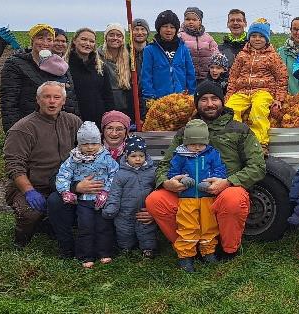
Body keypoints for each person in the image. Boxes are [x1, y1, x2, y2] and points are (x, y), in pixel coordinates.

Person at [146, 80, 265, 260]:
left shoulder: (239, 129)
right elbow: (164, 165)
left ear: (222, 101)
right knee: (156, 200)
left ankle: (228, 249)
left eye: (214, 98)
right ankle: (188, 248)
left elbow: (257, 166)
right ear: (197, 103)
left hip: (222, 193)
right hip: (189, 195)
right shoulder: (185, 132)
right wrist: (166, 182)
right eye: (203, 99)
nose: (209, 104)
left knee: (233, 199)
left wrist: (228, 182)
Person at [3, 81, 82, 249]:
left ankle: (52, 225)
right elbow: (14, 165)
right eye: (46, 97)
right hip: (35, 186)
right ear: (38, 100)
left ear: (63, 101)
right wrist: (29, 191)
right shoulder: (23, 128)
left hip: (64, 184)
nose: (51, 101)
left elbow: (87, 149)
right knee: (30, 213)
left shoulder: (73, 122)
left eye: (56, 97)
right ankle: (21, 238)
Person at [166, 119, 228, 272]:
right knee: (187, 226)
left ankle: (208, 252)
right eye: (193, 144)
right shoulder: (180, 155)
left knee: (209, 226)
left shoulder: (212, 154)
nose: (197, 148)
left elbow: (219, 170)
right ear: (186, 142)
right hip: (187, 198)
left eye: (201, 144)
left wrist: (213, 182)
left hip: (207, 197)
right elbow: (173, 173)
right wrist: (182, 179)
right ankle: (186, 256)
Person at [54, 121, 119, 268]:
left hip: (102, 199)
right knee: (86, 227)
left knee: (103, 226)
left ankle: (104, 253)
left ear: (99, 142)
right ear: (79, 144)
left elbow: (114, 174)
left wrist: (106, 191)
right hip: (84, 201)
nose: (90, 148)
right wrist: (66, 191)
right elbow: (63, 175)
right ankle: (86, 256)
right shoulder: (73, 159)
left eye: (94, 144)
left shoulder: (106, 158)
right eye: (85, 144)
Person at [0, 23, 78, 132]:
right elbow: (9, 103)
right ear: (32, 40)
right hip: (31, 128)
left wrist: (73, 127)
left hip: (60, 128)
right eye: (40, 38)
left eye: (49, 39)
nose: (45, 43)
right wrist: (13, 132)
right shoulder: (15, 64)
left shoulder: (60, 65)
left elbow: (71, 98)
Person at [224, 21, 288, 148]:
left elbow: (282, 77)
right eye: (253, 36)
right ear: (249, 37)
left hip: (263, 91)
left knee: (258, 109)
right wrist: (229, 95)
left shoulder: (272, 56)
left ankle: (259, 142)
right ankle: (233, 140)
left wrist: (279, 98)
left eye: (261, 36)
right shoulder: (242, 55)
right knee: (230, 110)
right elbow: (233, 76)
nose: (257, 39)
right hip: (241, 92)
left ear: (267, 39)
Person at [102, 136, 158, 259]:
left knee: (146, 229)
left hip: (144, 209)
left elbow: (157, 190)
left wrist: (154, 209)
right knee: (124, 230)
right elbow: (115, 193)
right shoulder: (121, 174)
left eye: (141, 156)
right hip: (125, 211)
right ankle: (125, 247)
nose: (138, 159)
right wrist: (112, 207)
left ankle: (148, 249)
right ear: (126, 156)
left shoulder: (152, 172)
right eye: (133, 156)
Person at [140, 10, 196, 101]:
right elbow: (146, 76)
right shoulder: (150, 50)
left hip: (181, 99)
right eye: (165, 26)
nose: (169, 30)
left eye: (172, 27)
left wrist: (191, 94)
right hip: (159, 100)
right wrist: (149, 97)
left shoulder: (183, 48)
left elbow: (190, 73)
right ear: (159, 28)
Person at [67, 27, 116, 123]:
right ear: (74, 41)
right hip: (71, 120)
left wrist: (110, 119)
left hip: (97, 120)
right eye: (83, 39)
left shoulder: (100, 68)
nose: (87, 44)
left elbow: (108, 96)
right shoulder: (64, 66)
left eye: (91, 41)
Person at [98, 23, 135, 119]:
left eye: (119, 35)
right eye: (111, 35)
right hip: (105, 106)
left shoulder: (129, 58)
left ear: (123, 39)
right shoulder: (97, 57)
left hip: (125, 107)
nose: (115, 38)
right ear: (106, 38)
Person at [179, 6, 219, 83]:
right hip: (186, 77)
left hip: (206, 77)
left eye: (194, 20)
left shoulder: (208, 38)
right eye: (187, 19)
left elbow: (216, 53)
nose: (191, 22)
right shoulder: (180, 37)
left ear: (200, 21)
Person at [278, 16, 299, 95]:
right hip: (287, 99)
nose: (298, 33)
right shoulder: (281, 53)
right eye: (295, 29)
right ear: (291, 30)